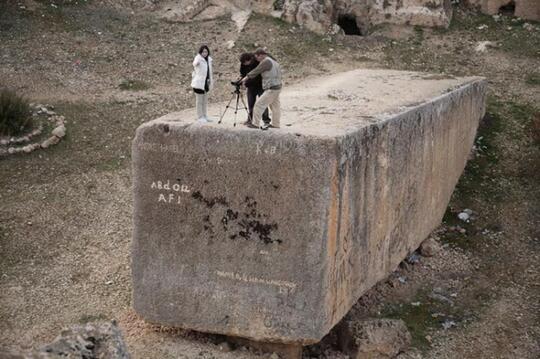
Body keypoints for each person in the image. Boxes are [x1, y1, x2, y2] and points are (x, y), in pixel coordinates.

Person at [240, 48, 281, 130]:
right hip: (277, 86)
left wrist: (243, 79)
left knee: (259, 105)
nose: (256, 59)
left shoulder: (266, 61)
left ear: (261, 55)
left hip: (271, 88)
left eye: (257, 57)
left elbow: (256, 71)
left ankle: (255, 124)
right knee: (275, 106)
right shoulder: (273, 61)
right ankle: (276, 124)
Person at [239, 52, 270, 127]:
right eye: (243, 63)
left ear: (249, 60)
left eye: (246, 63)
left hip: (260, 85)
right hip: (251, 87)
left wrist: (245, 84)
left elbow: (257, 77)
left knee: (263, 103)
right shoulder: (243, 64)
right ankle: (250, 119)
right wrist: (241, 80)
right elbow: (242, 73)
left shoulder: (257, 62)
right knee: (251, 104)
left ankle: (266, 120)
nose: (245, 64)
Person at [191, 45, 213, 123]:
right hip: (199, 83)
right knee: (199, 100)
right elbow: (194, 64)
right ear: (200, 52)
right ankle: (199, 116)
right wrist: (196, 62)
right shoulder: (198, 58)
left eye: (206, 51)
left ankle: (204, 115)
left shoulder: (209, 60)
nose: (205, 53)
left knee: (205, 100)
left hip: (206, 83)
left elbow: (209, 72)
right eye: (203, 52)